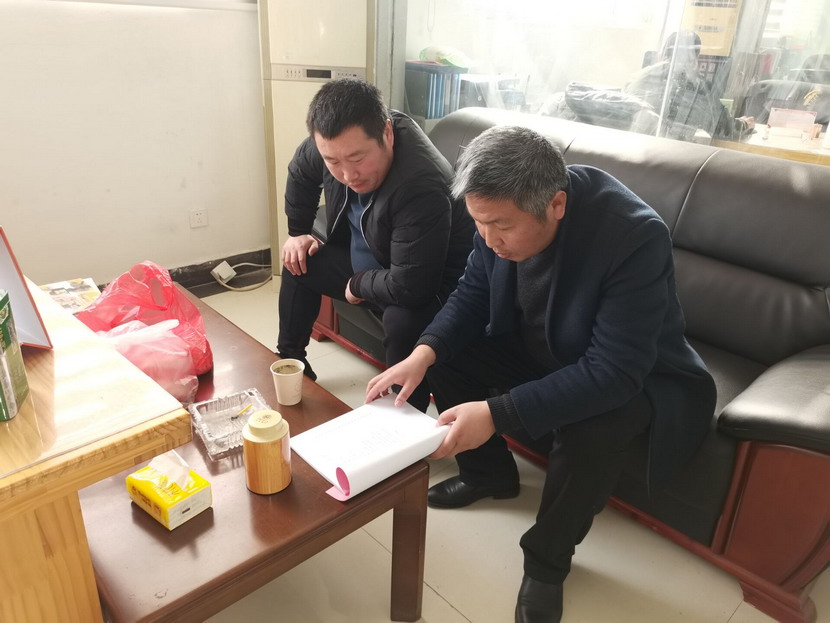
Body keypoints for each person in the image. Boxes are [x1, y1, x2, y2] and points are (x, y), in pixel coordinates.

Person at [366, 126, 716, 622]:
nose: (489, 239)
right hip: (546, 344)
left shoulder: (633, 235)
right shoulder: (495, 221)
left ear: (556, 204)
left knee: (594, 425)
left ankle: (547, 562)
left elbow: (614, 370)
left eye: (501, 226)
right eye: (479, 224)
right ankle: (488, 474)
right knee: (447, 355)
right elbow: (472, 293)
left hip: (636, 373)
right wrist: (422, 353)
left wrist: (496, 413)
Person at [277, 79, 474, 412]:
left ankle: (403, 419)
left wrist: (358, 283)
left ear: (387, 133)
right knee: (298, 261)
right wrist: (298, 232)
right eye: (333, 161)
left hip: (431, 284)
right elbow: (301, 170)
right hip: (377, 261)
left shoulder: (421, 184)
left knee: (402, 321)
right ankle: (290, 362)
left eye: (357, 159)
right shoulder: (334, 144)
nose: (347, 174)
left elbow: (412, 286)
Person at [623, 30, 755, 140]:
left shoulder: (635, 78)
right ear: (693, 61)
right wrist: (743, 124)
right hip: (666, 153)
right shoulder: (694, 85)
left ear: (661, 55)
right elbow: (721, 127)